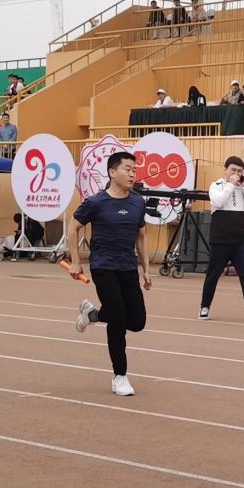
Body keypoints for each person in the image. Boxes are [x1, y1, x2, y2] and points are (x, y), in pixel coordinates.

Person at [67, 151, 153, 397]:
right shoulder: (96, 202)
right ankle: (120, 376)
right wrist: (76, 261)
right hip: (103, 267)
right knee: (117, 318)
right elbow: (73, 227)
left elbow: (141, 236)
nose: (132, 174)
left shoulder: (138, 202)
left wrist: (146, 269)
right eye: (127, 169)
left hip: (128, 267)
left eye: (134, 170)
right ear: (112, 172)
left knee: (137, 321)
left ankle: (92, 314)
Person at [199, 156, 244, 323]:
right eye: (233, 170)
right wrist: (231, 185)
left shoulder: (243, 188)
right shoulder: (216, 185)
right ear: (225, 170)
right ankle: (205, 306)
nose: (236, 173)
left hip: (241, 240)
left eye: (239, 171)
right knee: (213, 275)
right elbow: (218, 202)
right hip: (221, 239)